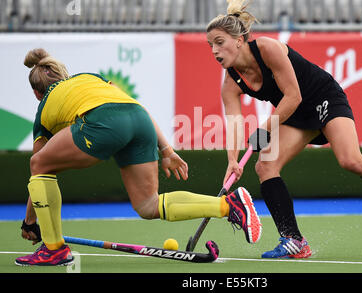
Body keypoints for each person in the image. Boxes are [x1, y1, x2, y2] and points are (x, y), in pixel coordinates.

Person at [206, 0, 362, 259]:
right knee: (265, 166)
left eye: (219, 42)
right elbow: (234, 123)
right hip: (295, 116)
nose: (215, 51)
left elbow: (293, 96)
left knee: (351, 161)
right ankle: (293, 240)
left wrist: (265, 128)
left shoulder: (268, 49)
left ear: (239, 40)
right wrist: (232, 160)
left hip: (323, 98)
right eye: (210, 46)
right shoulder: (230, 83)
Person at [16, 48, 262, 266]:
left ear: (38, 94)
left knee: (39, 163)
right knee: (148, 205)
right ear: (63, 76)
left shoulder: (44, 110)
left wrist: (30, 222)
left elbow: (39, 170)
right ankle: (228, 206)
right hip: (140, 120)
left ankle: (53, 250)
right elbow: (135, 106)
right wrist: (166, 150)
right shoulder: (90, 80)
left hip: (102, 122)